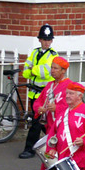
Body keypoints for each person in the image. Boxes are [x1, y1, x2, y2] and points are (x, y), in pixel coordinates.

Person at [32, 57, 71, 170]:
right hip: (51, 130)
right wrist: (39, 109)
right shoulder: (49, 86)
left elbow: (74, 107)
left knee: (58, 162)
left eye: (55, 68)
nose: (52, 71)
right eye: (52, 68)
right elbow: (38, 102)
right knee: (48, 161)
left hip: (64, 131)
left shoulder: (69, 86)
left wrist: (58, 109)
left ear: (63, 70)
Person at [19, 23, 58, 159]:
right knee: (44, 122)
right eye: (44, 39)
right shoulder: (35, 52)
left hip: (46, 93)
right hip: (34, 93)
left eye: (48, 40)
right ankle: (54, 143)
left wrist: (33, 70)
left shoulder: (53, 55)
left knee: (36, 121)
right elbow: (25, 71)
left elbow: (46, 72)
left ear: (51, 40)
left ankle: (29, 149)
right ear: (39, 39)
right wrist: (35, 70)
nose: (46, 42)